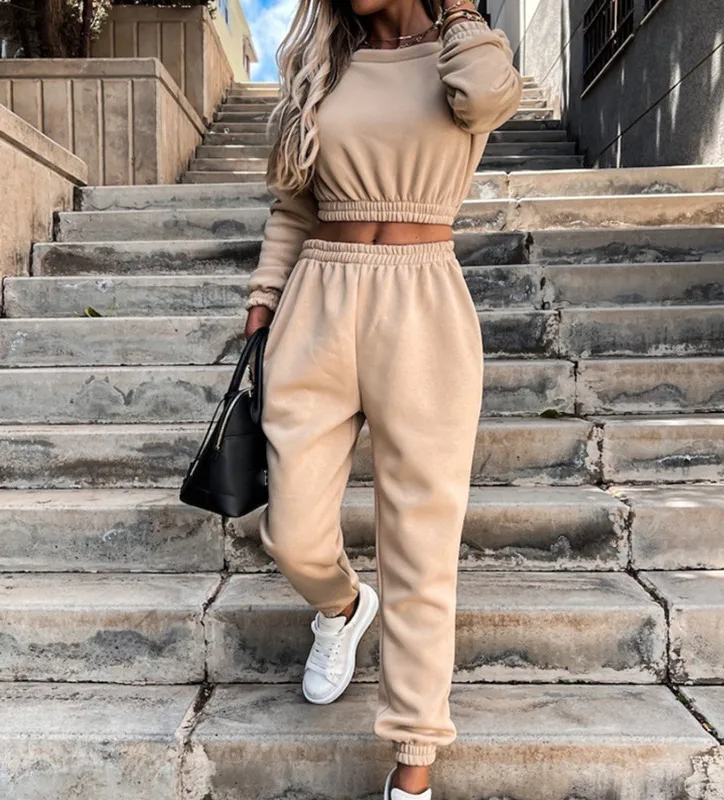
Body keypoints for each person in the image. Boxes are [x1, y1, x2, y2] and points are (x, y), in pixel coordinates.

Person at [243, 0, 522, 795]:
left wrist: (459, 11)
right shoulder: (327, 65)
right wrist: (264, 300)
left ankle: (414, 763)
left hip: (423, 304)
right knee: (291, 533)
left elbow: (489, 98)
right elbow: (294, 204)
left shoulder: (465, 54)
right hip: (317, 302)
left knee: (421, 546)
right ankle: (341, 608)